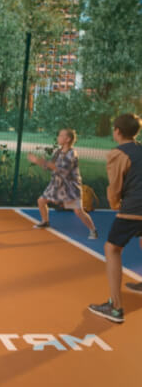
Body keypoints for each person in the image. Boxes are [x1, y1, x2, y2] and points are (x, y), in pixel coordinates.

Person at [88, 113, 142, 323]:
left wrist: (114, 204)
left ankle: (116, 307)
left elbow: (115, 187)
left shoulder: (118, 154)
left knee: (112, 248)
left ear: (117, 131)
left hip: (135, 207)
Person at [28, 128, 98, 239]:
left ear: (68, 139)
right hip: (56, 184)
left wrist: (42, 162)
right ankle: (45, 221)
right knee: (41, 201)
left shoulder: (72, 153)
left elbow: (61, 169)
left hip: (70, 187)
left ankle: (93, 230)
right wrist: (39, 162)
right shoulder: (58, 152)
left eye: (61, 135)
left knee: (78, 211)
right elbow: (50, 167)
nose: (58, 137)